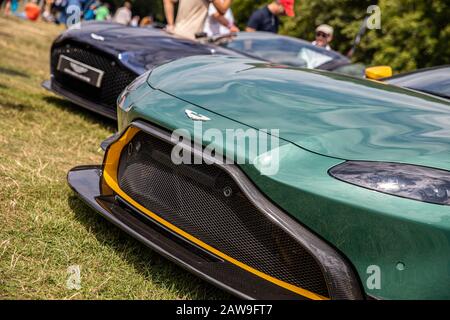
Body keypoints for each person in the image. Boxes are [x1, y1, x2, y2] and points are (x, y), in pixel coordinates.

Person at [163, 0, 233, 40]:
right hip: (192, 38)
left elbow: (167, 1)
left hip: (176, 33)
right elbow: (222, 10)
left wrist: (171, 25)